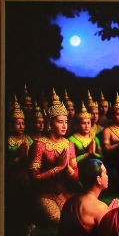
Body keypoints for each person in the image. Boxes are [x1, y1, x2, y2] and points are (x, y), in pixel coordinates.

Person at [56, 159, 119, 236]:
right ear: (98, 179)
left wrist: (108, 214)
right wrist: (111, 217)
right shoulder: (100, 208)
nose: (107, 177)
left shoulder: (69, 202)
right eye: (105, 173)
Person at [28, 90, 80, 225]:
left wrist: (68, 169)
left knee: (79, 214)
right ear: (49, 123)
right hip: (44, 194)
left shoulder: (69, 144)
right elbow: (34, 178)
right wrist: (58, 168)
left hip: (65, 192)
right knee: (56, 218)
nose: (64, 125)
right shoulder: (39, 145)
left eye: (66, 122)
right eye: (60, 122)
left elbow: (76, 177)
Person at [6, 96, 33, 187]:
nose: (21, 126)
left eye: (23, 123)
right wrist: (19, 156)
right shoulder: (8, 141)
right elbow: (6, 165)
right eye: (18, 123)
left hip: (27, 176)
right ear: (11, 125)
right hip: (13, 177)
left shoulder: (28, 139)